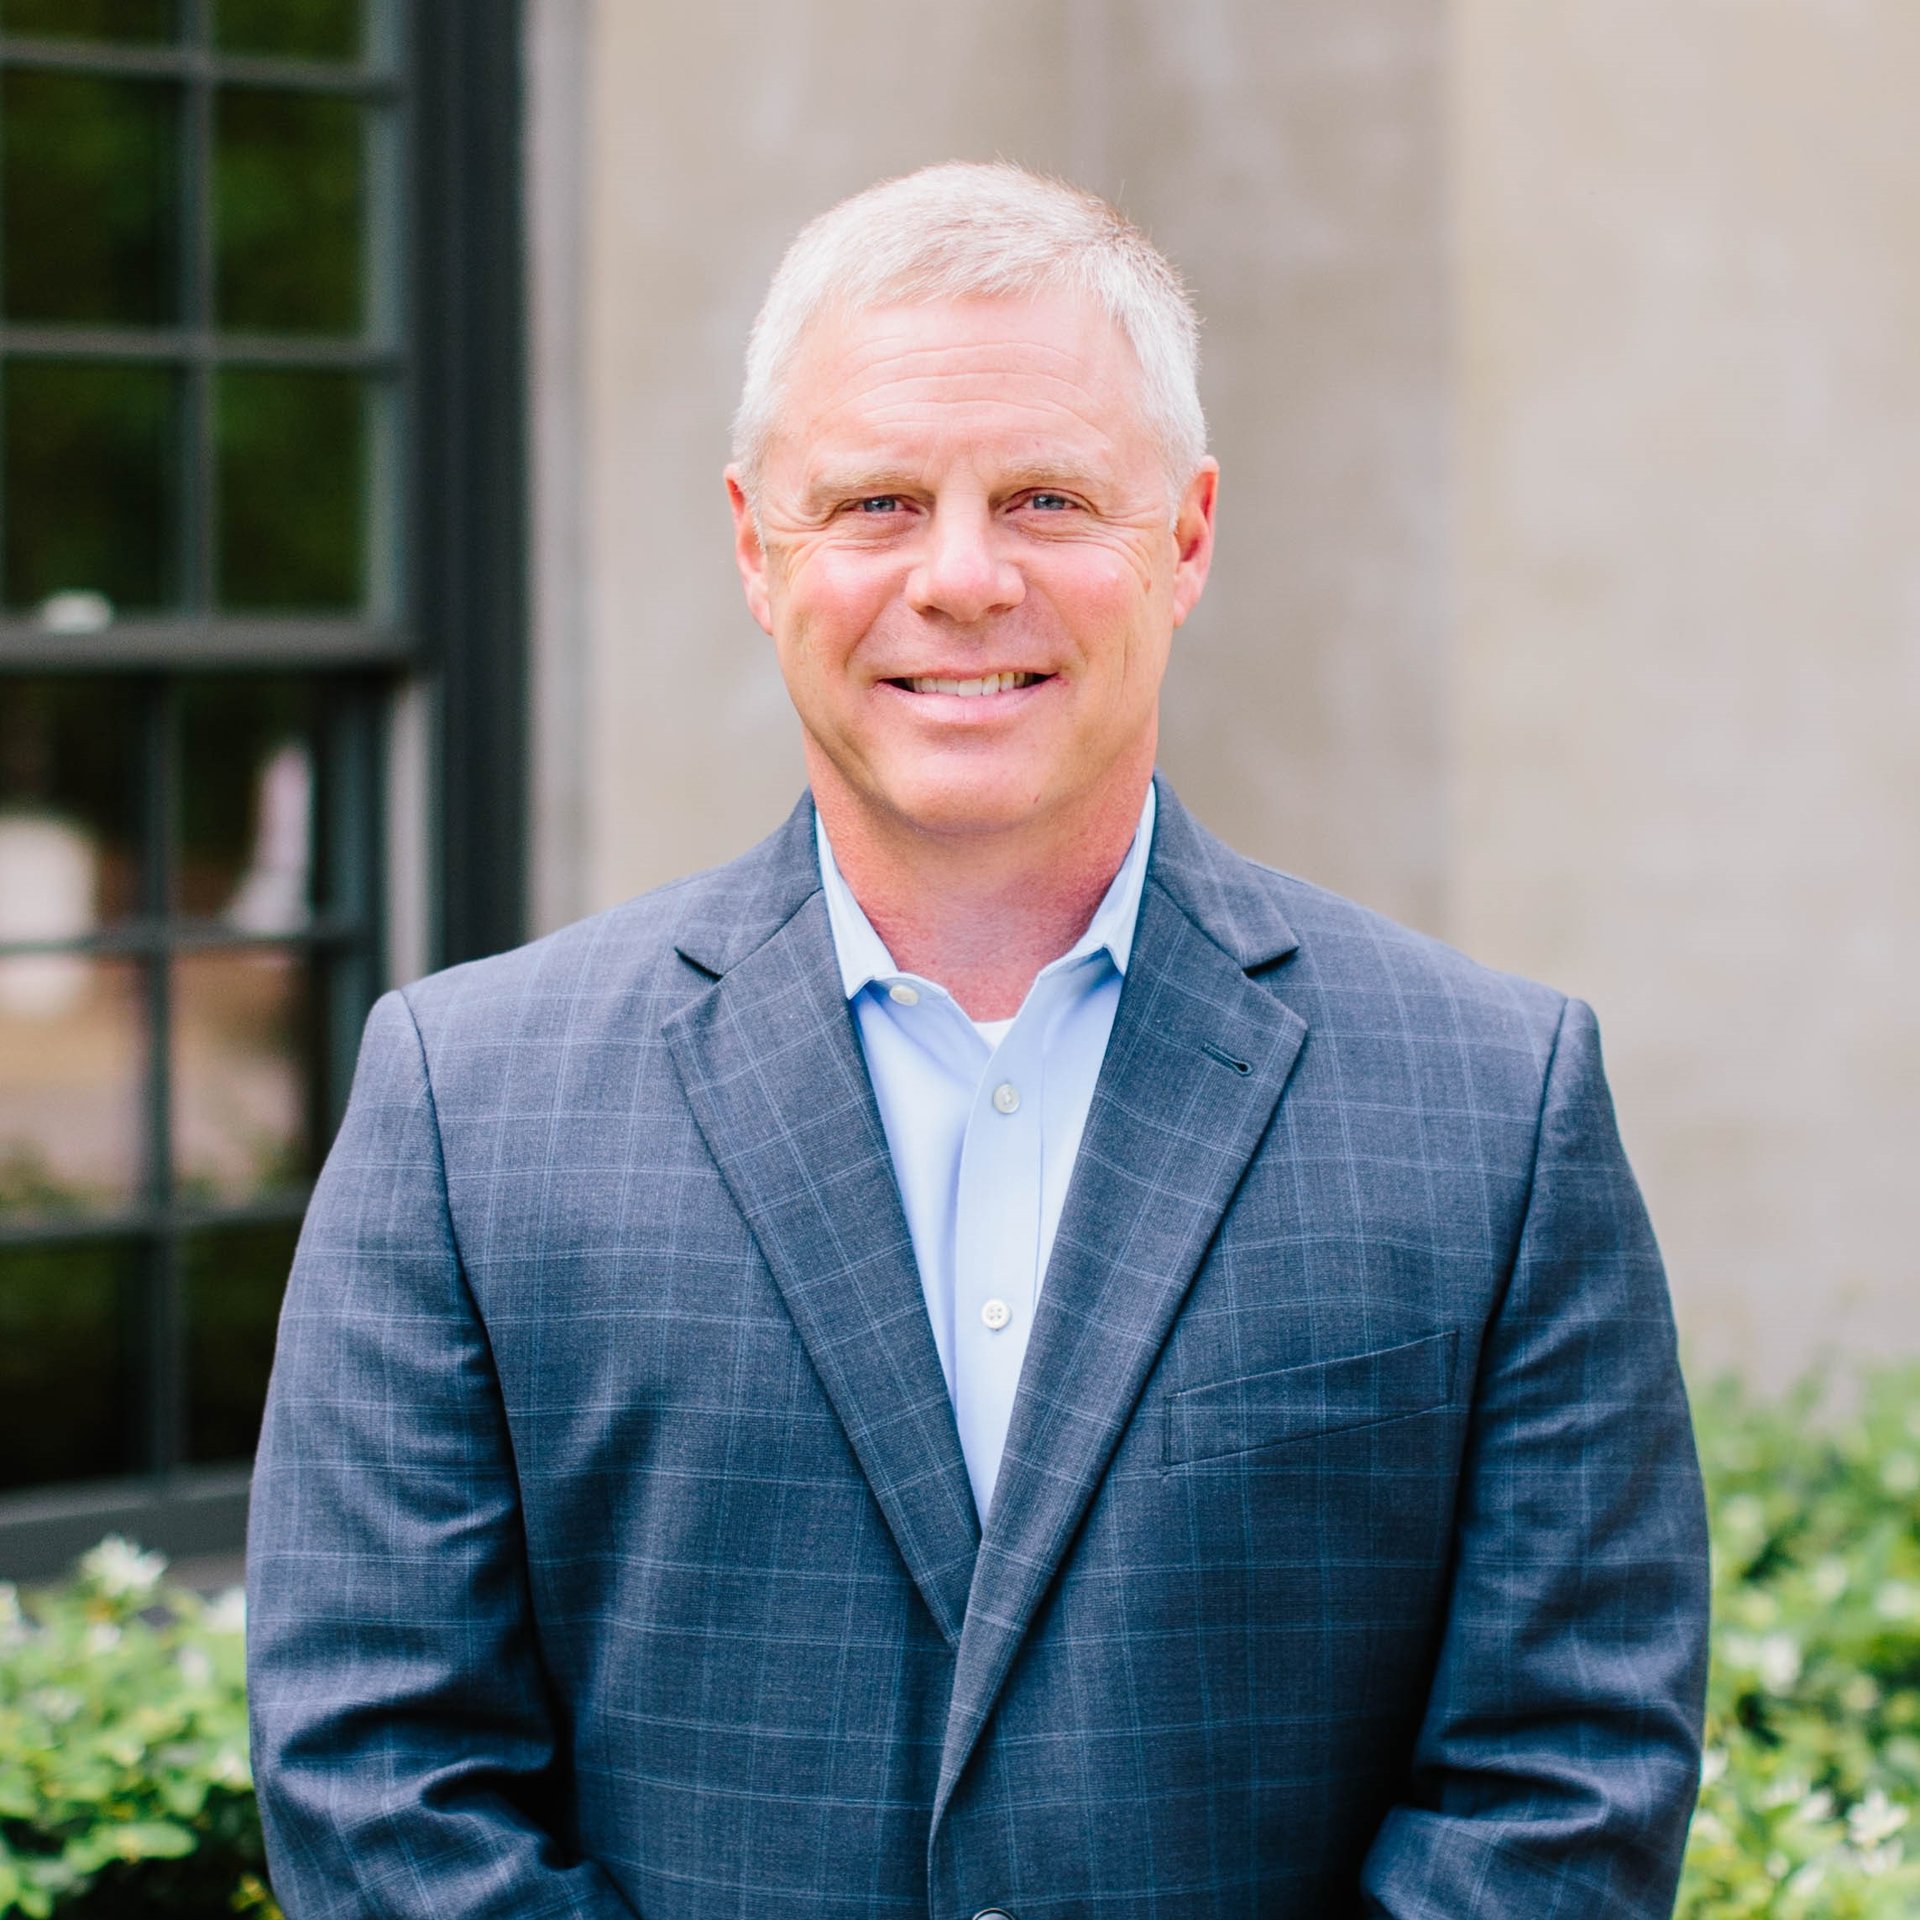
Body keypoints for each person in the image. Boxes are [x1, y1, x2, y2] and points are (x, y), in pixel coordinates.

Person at [248, 162, 1709, 1919]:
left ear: (1185, 539)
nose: (960, 579)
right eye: (873, 501)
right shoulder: (465, 1105)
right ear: (752, 547)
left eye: (1045, 496)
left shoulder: (1495, 1103)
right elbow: (375, 1775)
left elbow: (1570, 1769)